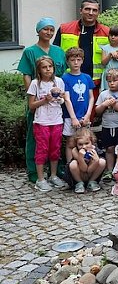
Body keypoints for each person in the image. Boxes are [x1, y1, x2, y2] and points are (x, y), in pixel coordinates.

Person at [18, 17, 66, 185]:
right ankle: (34, 172)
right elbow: (26, 74)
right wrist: (34, 95)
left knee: (55, 139)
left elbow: (62, 74)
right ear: (38, 31)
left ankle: (55, 171)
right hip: (38, 103)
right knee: (35, 138)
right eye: (45, 29)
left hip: (55, 105)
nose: (49, 32)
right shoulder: (30, 51)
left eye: (52, 29)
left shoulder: (58, 51)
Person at [26, 55, 69, 193]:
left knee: (55, 149)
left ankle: (53, 175)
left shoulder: (59, 81)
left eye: (50, 67)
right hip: (42, 121)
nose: (47, 70)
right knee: (42, 149)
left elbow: (63, 101)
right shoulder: (35, 83)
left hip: (57, 120)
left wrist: (60, 98)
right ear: (39, 70)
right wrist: (45, 100)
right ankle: (40, 179)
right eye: (44, 67)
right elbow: (31, 105)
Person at [54, 0, 111, 92]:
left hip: (97, 84)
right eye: (87, 9)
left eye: (94, 10)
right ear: (80, 10)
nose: (91, 13)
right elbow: (55, 54)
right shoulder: (65, 29)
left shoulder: (107, 32)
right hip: (68, 81)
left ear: (98, 13)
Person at [61, 47, 95, 163]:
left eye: (78, 60)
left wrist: (88, 114)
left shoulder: (87, 77)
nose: (76, 63)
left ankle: (85, 166)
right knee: (71, 142)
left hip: (84, 115)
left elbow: (91, 97)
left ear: (82, 60)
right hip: (71, 116)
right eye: (72, 60)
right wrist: (73, 118)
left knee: (85, 141)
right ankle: (69, 167)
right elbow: (67, 99)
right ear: (67, 61)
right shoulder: (65, 78)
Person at [95, 68, 118, 176]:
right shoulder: (103, 94)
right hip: (107, 126)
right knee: (109, 148)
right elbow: (97, 112)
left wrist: (115, 105)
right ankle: (109, 170)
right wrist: (104, 104)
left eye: (115, 80)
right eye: (109, 81)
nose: (112, 83)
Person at [67, 127, 105, 194]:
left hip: (91, 172)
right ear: (76, 144)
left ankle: (92, 181)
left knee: (102, 162)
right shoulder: (75, 151)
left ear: (91, 142)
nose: (84, 147)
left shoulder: (94, 150)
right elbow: (84, 169)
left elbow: (89, 170)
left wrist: (96, 161)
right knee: (73, 164)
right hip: (80, 173)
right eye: (80, 144)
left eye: (87, 143)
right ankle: (79, 183)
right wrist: (80, 158)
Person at [100, 26, 118, 91]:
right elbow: (103, 63)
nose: (113, 37)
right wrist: (110, 55)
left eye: (116, 35)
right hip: (108, 74)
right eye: (111, 35)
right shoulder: (105, 48)